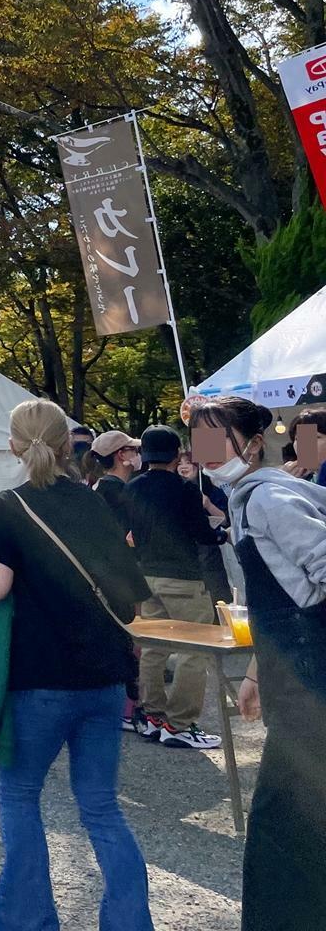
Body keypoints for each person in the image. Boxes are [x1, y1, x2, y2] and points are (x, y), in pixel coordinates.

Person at [0, 399, 152, 931]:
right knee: (101, 806)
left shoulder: (7, 505)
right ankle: (128, 923)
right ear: (65, 442)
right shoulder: (98, 501)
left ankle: (26, 922)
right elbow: (130, 593)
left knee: (20, 796)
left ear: (12, 444)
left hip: (39, 677)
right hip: (103, 677)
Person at [190, 395, 326, 931]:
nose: (203, 454)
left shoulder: (266, 497)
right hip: (295, 678)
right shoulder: (248, 498)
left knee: (281, 827)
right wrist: (256, 672)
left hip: (312, 684)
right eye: (196, 441)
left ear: (252, 441)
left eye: (213, 439)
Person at [127, 424, 226, 750]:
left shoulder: (133, 487)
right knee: (193, 651)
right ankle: (180, 724)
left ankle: (153, 715)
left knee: (154, 647)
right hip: (183, 578)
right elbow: (201, 534)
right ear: (176, 454)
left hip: (146, 576)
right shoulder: (185, 490)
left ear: (145, 455)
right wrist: (222, 535)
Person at [88, 430, 141, 533]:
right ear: (121, 454)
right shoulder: (122, 493)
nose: (138, 454)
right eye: (134, 449)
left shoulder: (98, 487)